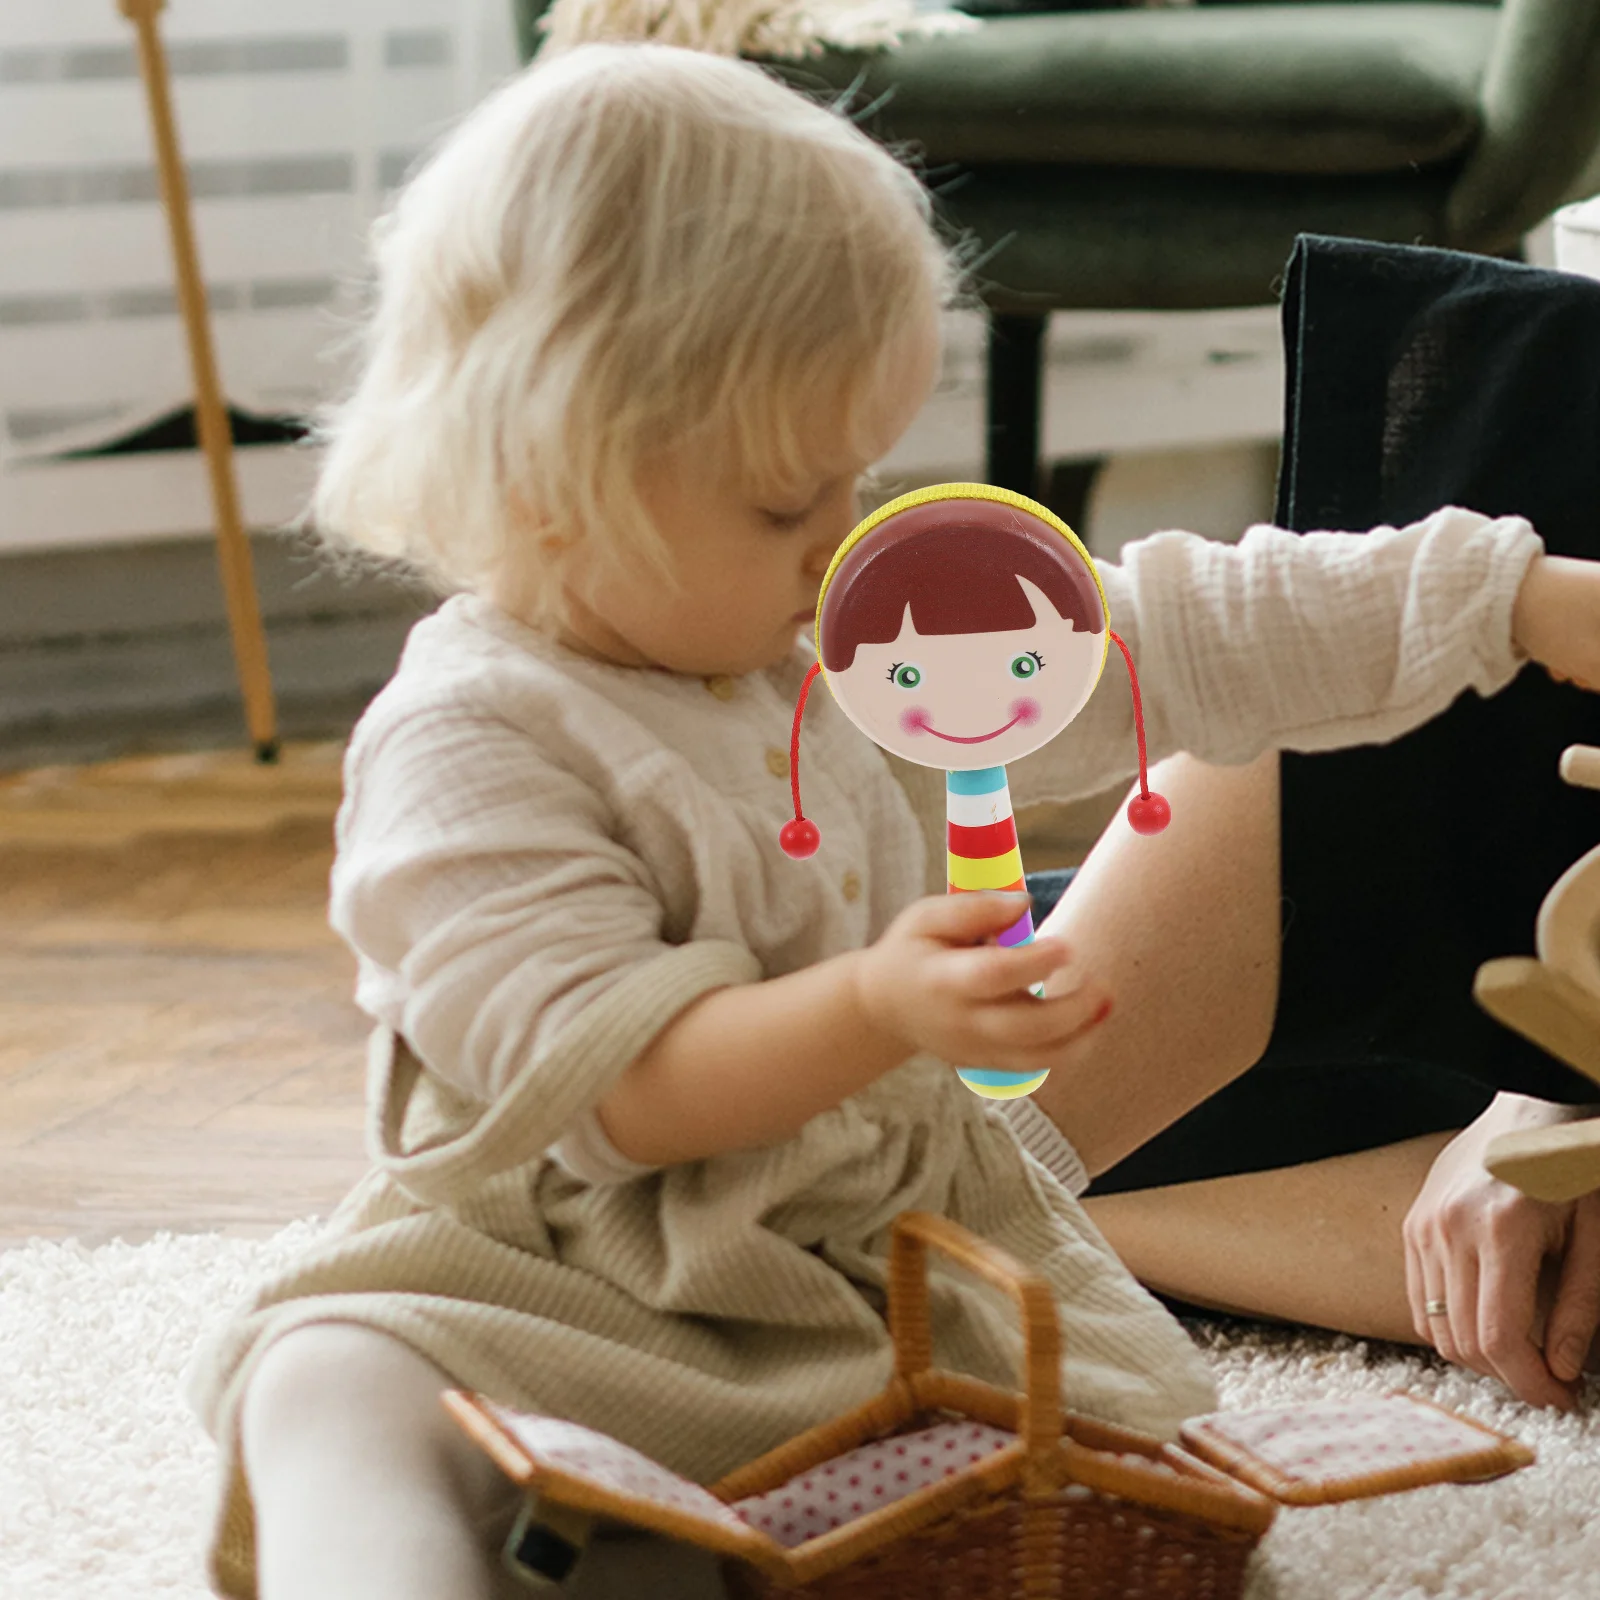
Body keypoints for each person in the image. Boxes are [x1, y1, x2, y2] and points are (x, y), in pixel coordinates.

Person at [185, 41, 1600, 1600]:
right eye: (788, 501)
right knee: (325, 1370)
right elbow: (620, 1095)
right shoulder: (466, 746)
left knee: (1117, 1436)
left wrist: (1518, 602)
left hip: (862, 1291)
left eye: (858, 476)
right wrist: (873, 1005)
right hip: (566, 1281)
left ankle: (697, 1540)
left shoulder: (818, 646)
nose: (842, 539)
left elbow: (1196, 638)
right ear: (553, 485)